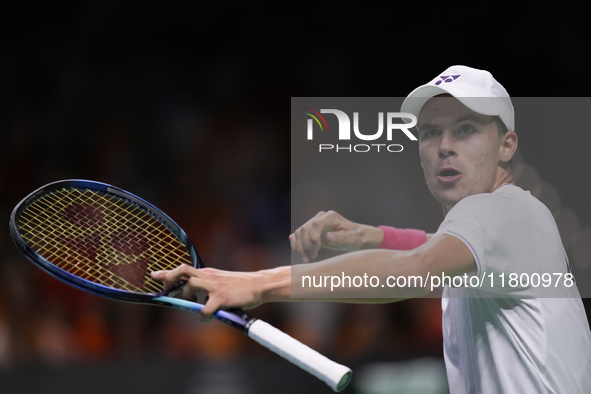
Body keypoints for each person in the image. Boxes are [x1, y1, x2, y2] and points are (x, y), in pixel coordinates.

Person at [152, 66, 591, 393]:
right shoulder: (512, 222)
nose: (444, 147)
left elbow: (418, 268)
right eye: (430, 132)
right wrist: (373, 236)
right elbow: (434, 251)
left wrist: (256, 284)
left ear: (507, 144)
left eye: (466, 129)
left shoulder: (498, 212)